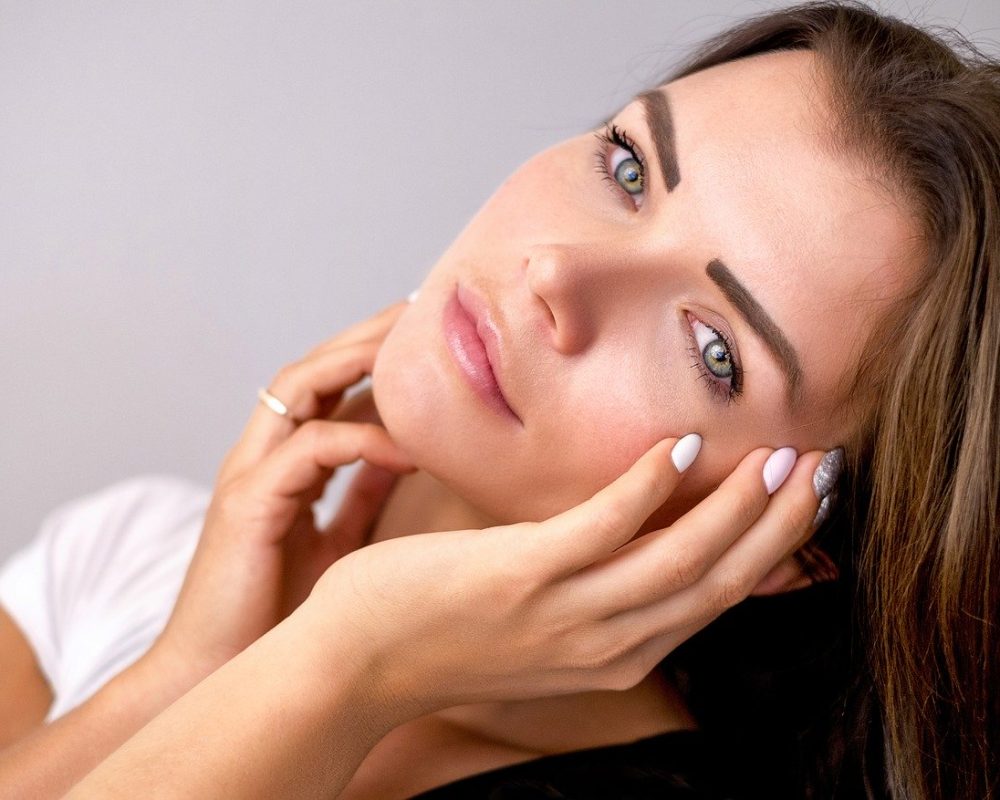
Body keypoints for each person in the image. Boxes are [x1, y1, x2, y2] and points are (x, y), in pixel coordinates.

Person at [0, 1, 997, 797]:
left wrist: (355, 657)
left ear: (791, 545)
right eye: (628, 168)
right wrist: (181, 675)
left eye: (713, 350)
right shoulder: (139, 548)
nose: (558, 271)